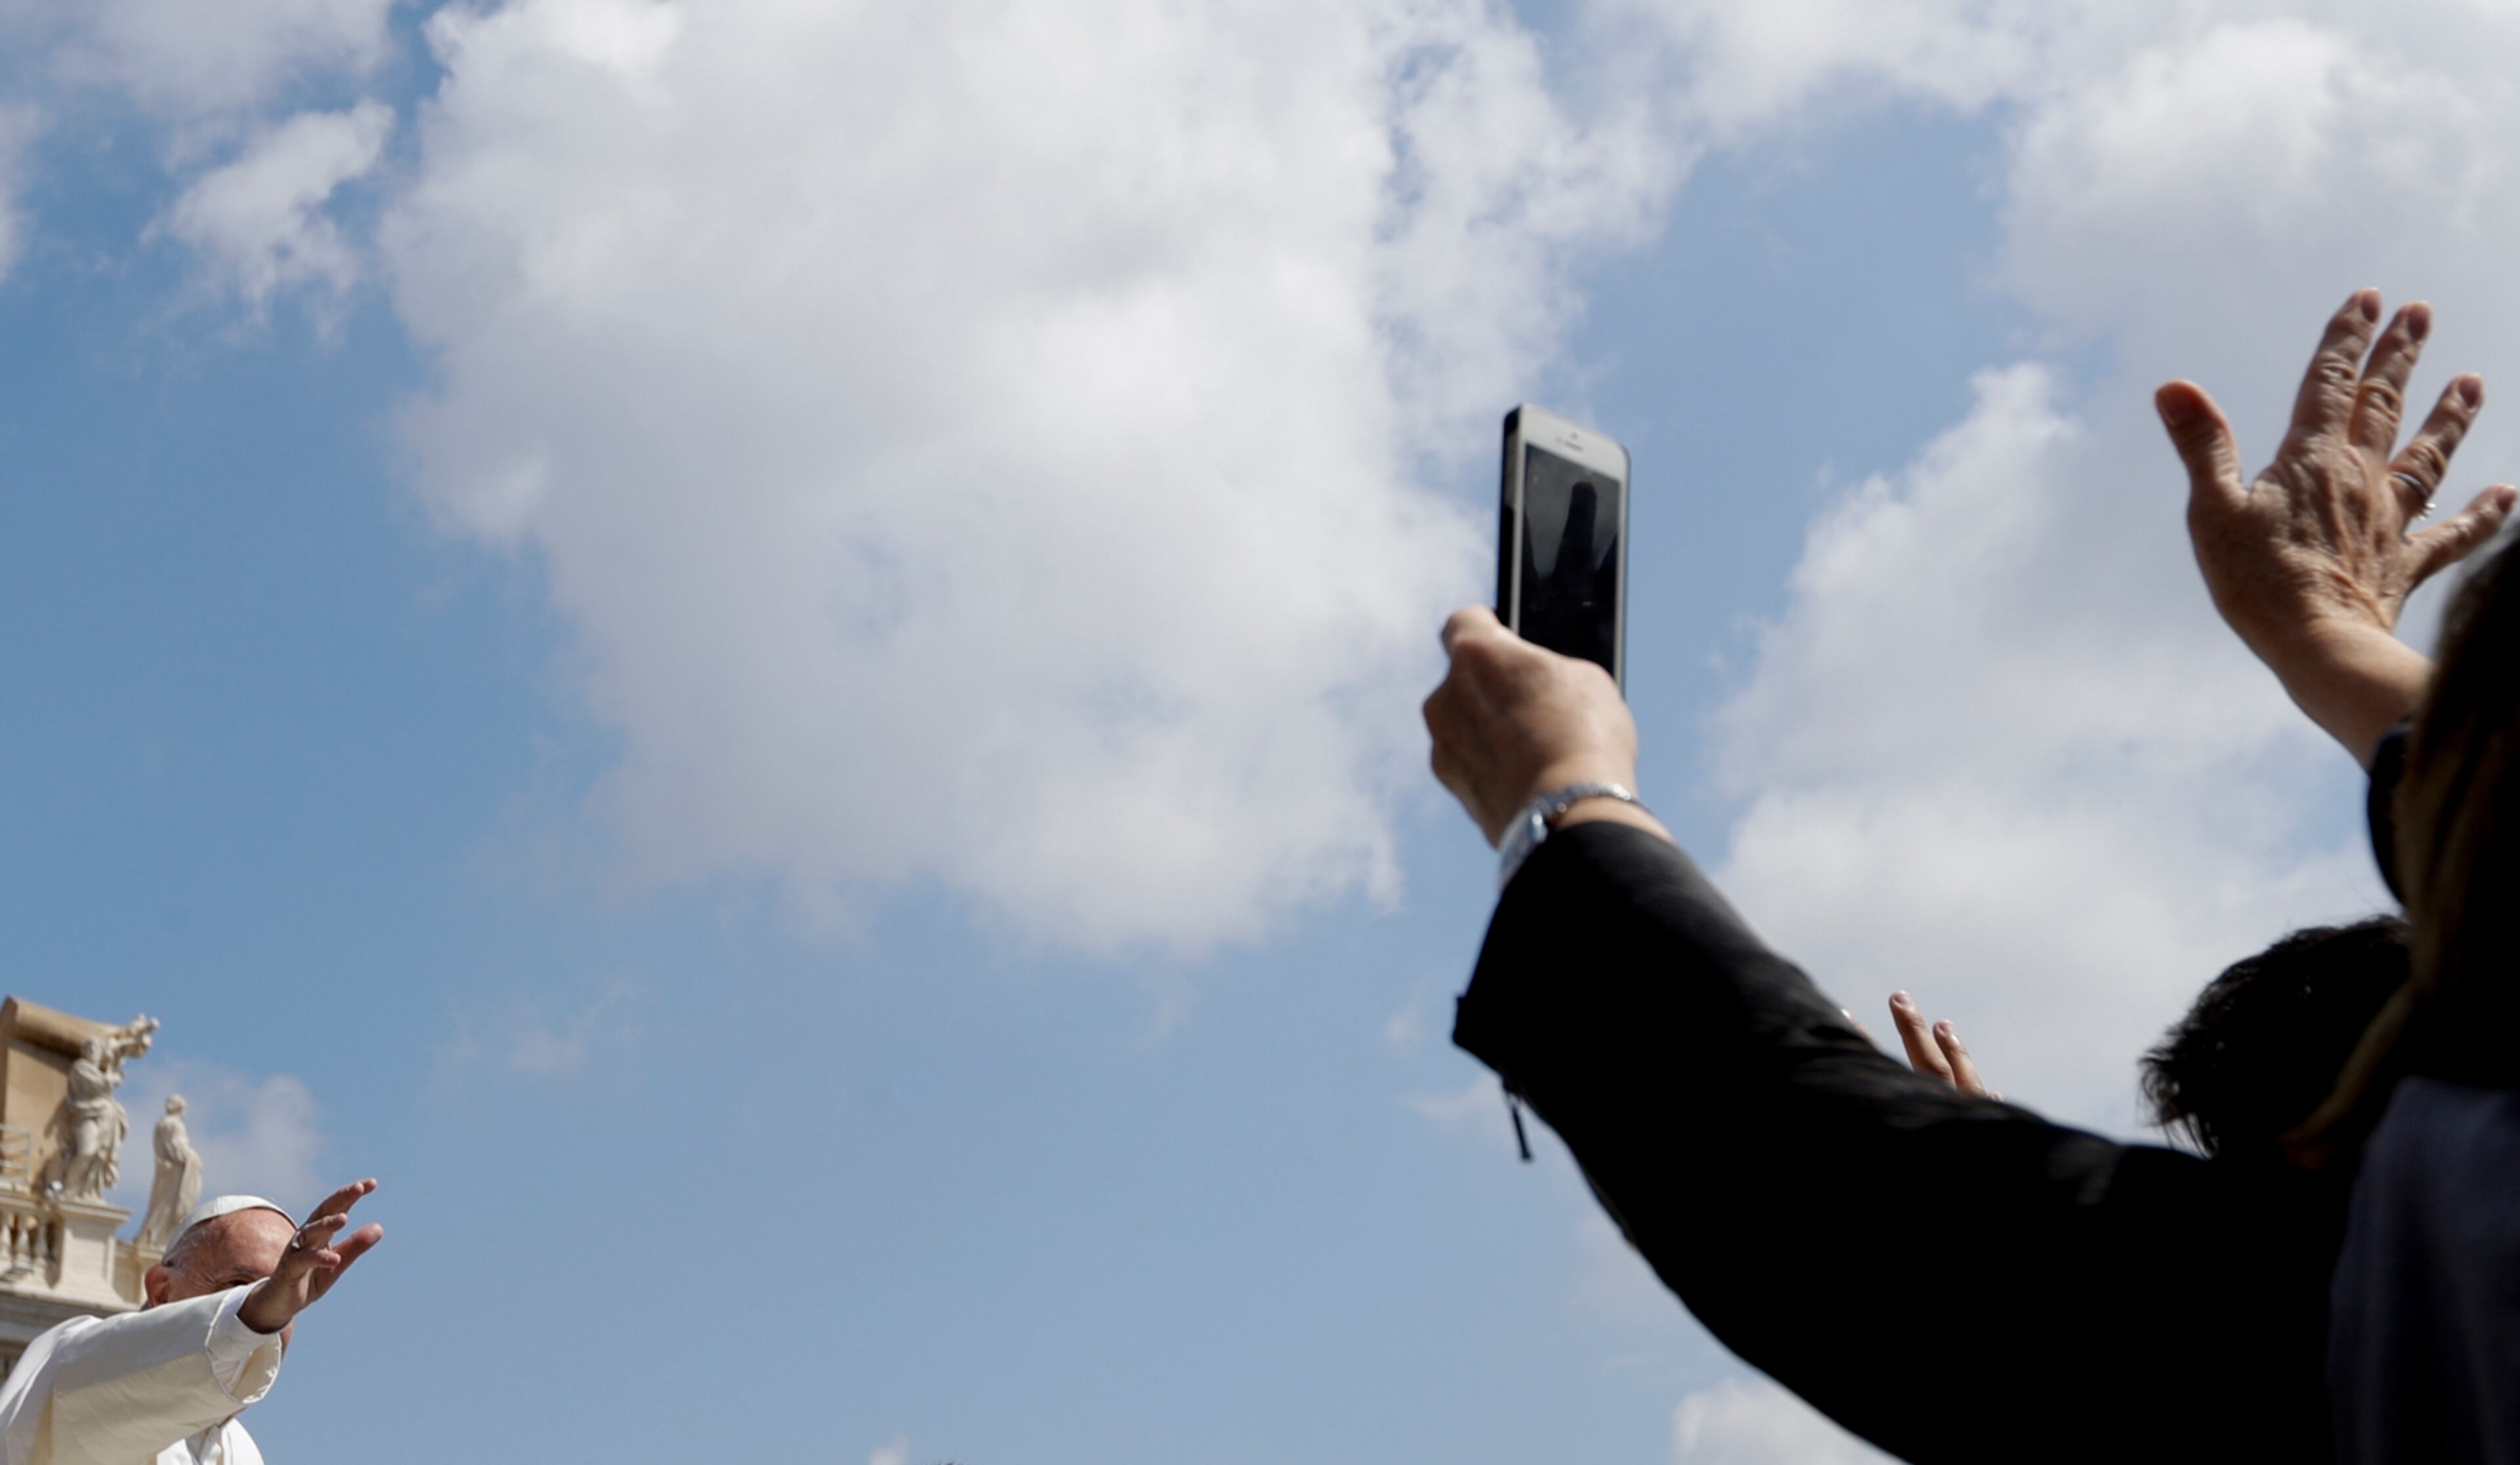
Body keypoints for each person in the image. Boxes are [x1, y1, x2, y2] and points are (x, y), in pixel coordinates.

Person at [1425, 288, 2503, 1462]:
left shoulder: (2447, 1284)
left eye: (2241, 1198)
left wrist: (1565, 805)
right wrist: (2333, 636)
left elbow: (1863, 1211)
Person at [0, 1179, 385, 1464]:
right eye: (238, 1286)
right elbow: (108, 1380)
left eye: (291, 1296)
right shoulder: (68, 1370)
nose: (277, 1311)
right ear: (162, 1291)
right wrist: (253, 1314)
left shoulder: (242, 1453)